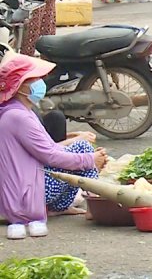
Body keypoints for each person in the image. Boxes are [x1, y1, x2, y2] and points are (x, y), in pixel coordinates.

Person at [0, 54, 108, 239]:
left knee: (80, 150)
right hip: (23, 196)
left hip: (23, 192)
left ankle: (66, 206)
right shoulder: (18, 116)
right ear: (21, 86)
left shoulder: (19, 111)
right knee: (82, 149)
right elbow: (50, 155)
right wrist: (89, 159)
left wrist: (84, 153)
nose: (40, 83)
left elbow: (49, 148)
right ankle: (94, 207)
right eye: (34, 79)